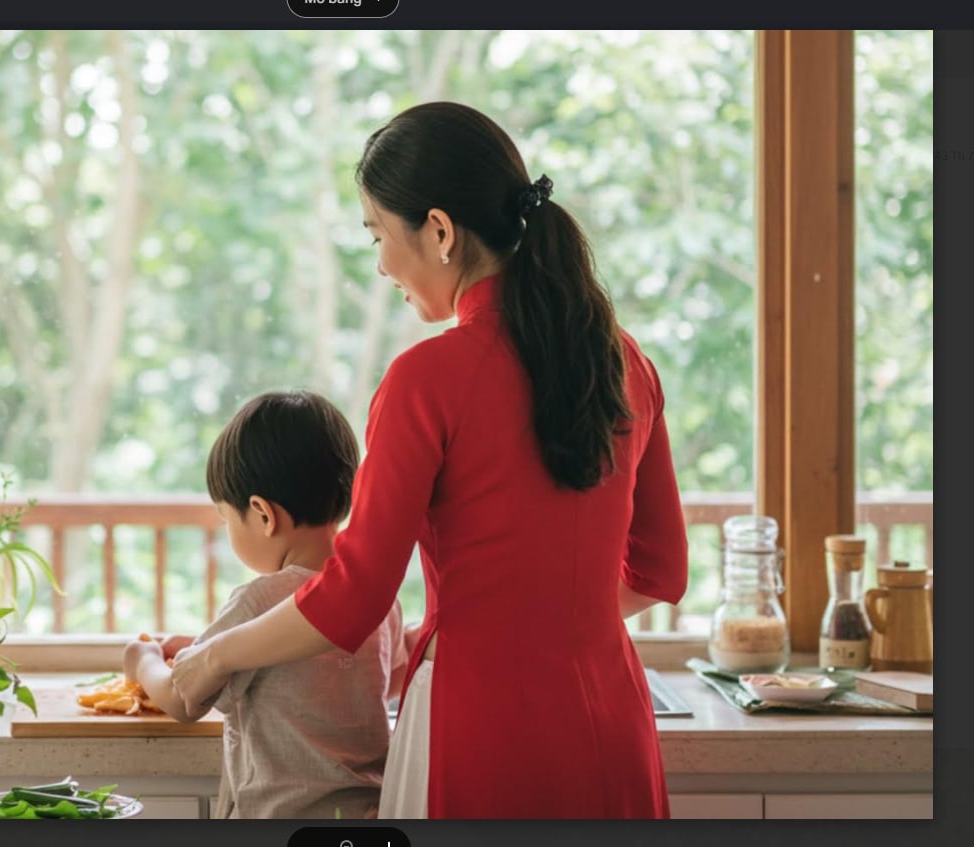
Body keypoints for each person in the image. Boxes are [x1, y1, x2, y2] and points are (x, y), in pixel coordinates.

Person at [169, 101, 689, 819]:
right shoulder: (626, 361)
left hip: (480, 727)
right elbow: (661, 573)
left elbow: (352, 597)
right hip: (613, 720)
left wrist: (214, 654)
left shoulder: (426, 380)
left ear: (439, 231)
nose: (382, 263)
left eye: (378, 234)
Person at [123, 390, 408, 819]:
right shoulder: (378, 598)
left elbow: (183, 700)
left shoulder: (258, 599)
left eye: (226, 518)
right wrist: (200, 644)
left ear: (262, 514)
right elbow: (374, 679)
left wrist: (143, 661)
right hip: (367, 816)